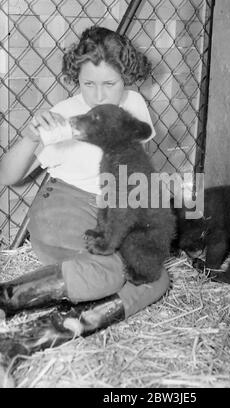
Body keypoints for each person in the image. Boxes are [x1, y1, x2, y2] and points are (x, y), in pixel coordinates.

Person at [0, 26, 170, 345]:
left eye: (110, 84)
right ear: (76, 78)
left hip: (108, 215)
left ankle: (51, 331)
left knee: (155, 277)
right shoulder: (65, 115)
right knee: (116, 271)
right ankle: (8, 296)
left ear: (127, 77)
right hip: (62, 213)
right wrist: (29, 137)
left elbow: (131, 178)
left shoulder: (133, 104)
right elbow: (6, 176)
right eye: (87, 83)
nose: (98, 95)